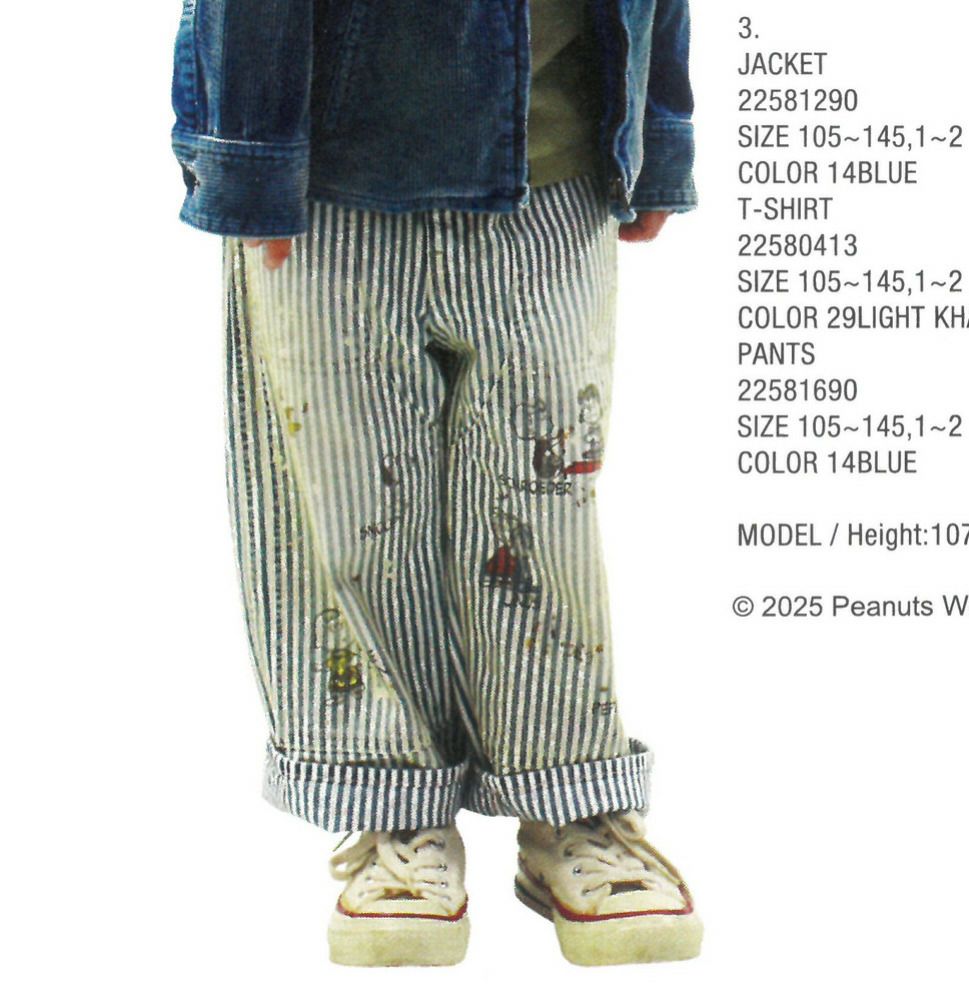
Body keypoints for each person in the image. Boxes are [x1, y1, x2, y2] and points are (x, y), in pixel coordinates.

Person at [171, 0, 700, 967]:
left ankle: (569, 795)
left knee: (547, 504)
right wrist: (248, 162)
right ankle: (392, 808)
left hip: (560, 178)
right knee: (351, 509)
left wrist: (658, 135)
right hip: (338, 185)